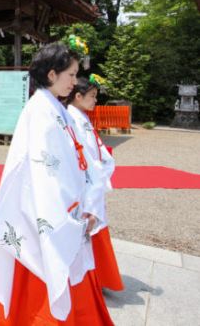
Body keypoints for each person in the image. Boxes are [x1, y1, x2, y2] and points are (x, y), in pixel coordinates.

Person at [0, 43, 113, 325]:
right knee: (45, 279)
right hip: (47, 213)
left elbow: (80, 159)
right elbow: (41, 172)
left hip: (68, 206)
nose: (74, 81)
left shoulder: (58, 109)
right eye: (70, 75)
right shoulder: (41, 111)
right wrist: (65, 215)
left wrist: (90, 201)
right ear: (52, 75)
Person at [66, 77, 124, 292]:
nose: (95, 101)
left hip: (92, 178)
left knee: (93, 232)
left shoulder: (80, 117)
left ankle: (96, 278)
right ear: (78, 96)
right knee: (89, 231)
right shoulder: (72, 118)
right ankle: (91, 280)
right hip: (87, 182)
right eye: (92, 96)